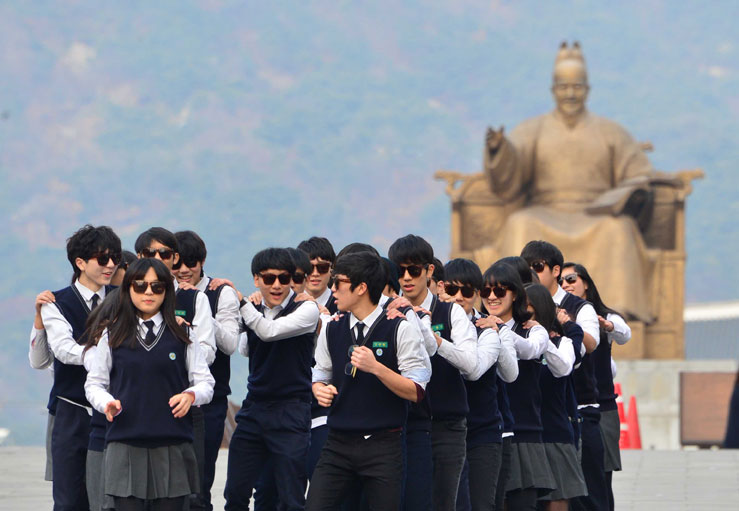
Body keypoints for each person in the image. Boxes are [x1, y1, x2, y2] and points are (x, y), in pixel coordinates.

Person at [478, 41, 655, 323]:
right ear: (553, 89)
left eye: (577, 87)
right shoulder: (532, 129)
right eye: (564, 87)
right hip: (544, 210)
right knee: (519, 222)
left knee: (620, 229)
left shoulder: (611, 132)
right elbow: (510, 174)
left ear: (587, 89)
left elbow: (638, 173)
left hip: (597, 214)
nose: (570, 93)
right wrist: (500, 150)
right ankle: (520, 300)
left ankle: (617, 312)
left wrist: (630, 192)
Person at [85, 258, 215, 511]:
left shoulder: (184, 334)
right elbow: (94, 383)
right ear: (128, 289)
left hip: (173, 444)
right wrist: (106, 403)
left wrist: (190, 395)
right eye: (140, 286)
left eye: (157, 287)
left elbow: (205, 382)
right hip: (125, 443)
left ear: (167, 291)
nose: (148, 293)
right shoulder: (112, 335)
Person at [305, 251, 431, 510]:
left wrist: (377, 368)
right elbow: (319, 374)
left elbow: (416, 391)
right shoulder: (333, 326)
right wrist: (319, 389)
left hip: (383, 444)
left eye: (338, 282)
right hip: (337, 442)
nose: (333, 289)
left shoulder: (399, 327)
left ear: (361, 287)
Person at [224, 248, 320, 511]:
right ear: (257, 279)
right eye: (268, 279)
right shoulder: (254, 309)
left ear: (292, 278)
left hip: (291, 410)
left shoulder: (307, 308)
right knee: (236, 493)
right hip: (254, 407)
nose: (276, 285)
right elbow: (242, 347)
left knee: (290, 497)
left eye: (283, 277)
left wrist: (243, 305)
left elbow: (269, 332)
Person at [35, 224, 122, 511]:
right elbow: (62, 350)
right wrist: (103, 355)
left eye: (115, 258)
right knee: (70, 498)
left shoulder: (125, 300)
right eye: (102, 258)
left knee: (112, 497)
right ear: (80, 262)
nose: (110, 265)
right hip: (72, 411)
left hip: (115, 409)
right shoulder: (55, 304)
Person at [388, 234, 478, 511]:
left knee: (443, 501)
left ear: (429, 271)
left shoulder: (451, 313)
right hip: (404, 423)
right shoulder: (387, 312)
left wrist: (436, 341)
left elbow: (471, 366)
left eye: (414, 270)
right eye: (399, 271)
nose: (406, 278)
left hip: (446, 423)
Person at [520, 241, 606, 511]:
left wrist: (563, 323)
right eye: (527, 268)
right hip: (528, 414)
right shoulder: (517, 310)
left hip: (575, 405)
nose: (533, 272)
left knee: (579, 493)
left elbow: (587, 345)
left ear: (555, 269)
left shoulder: (578, 308)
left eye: (538, 267)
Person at [173, 230, 240, 511]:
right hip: (171, 399)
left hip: (210, 400)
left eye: (192, 263)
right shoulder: (159, 292)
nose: (185, 270)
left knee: (200, 481)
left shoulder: (220, 293)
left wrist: (201, 310)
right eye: (177, 264)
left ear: (202, 261)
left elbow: (230, 343)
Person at [444, 258, 518, 511]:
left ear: (477, 293)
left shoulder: (491, 325)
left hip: (483, 430)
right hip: (444, 429)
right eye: (452, 290)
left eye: (466, 291)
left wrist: (496, 333)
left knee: (481, 504)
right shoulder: (434, 324)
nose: (458, 297)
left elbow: (510, 374)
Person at [480, 261, 554, 510]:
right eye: (486, 291)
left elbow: (530, 350)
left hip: (524, 431)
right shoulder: (473, 327)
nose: (492, 297)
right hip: (486, 432)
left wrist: (499, 329)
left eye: (499, 291)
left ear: (515, 294)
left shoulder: (533, 330)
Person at [561, 262, 631, 511]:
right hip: (571, 405)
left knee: (601, 476)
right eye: (562, 281)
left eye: (571, 279)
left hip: (602, 408)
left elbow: (625, 334)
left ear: (586, 282)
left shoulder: (604, 316)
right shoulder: (558, 314)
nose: (566, 285)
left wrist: (607, 326)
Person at [526, 283, 587, 511]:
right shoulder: (515, 339)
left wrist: (562, 326)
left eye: (529, 309)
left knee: (557, 497)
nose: (524, 315)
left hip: (554, 432)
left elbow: (563, 368)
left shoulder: (562, 343)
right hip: (526, 433)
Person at [298, 236, 339, 314]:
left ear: (331, 268)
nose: (315, 273)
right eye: (309, 268)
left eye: (322, 267)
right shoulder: (288, 304)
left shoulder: (342, 305)